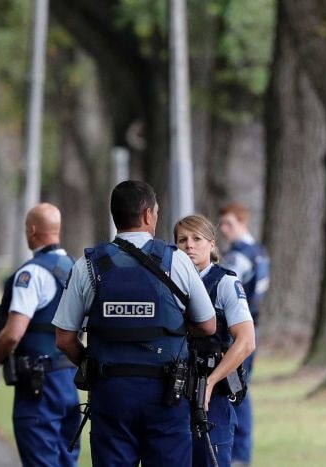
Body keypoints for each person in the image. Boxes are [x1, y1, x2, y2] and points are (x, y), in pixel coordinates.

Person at [53, 180, 216, 466]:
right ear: (148, 215)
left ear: (115, 215)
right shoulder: (176, 260)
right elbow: (208, 325)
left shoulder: (87, 265)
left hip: (111, 392)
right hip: (168, 393)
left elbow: (64, 338)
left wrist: (93, 369)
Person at [0, 203, 80, 466]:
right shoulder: (77, 269)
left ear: (32, 231)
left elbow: (13, 334)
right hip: (69, 382)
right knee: (67, 460)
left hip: (38, 387)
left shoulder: (32, 273)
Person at [175, 214, 256, 467]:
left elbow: (246, 342)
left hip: (212, 394)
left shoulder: (225, 283)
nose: (189, 245)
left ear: (211, 244)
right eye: (182, 240)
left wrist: (211, 382)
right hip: (174, 394)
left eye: (196, 238)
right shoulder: (168, 283)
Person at [217, 201, 269, 466]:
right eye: (222, 224)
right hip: (251, 330)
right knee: (239, 389)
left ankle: (238, 454)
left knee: (235, 391)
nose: (224, 229)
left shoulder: (239, 256)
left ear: (242, 223)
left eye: (229, 224)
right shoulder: (259, 252)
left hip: (238, 333)